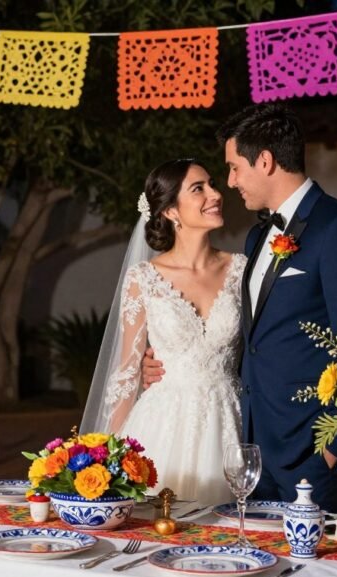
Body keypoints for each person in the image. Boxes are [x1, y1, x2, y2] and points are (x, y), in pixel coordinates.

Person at [143, 104, 337, 513]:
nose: (231, 181)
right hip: (250, 451)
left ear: (266, 161)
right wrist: (166, 361)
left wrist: (335, 452)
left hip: (311, 454)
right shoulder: (258, 238)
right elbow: (253, 341)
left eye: (235, 168)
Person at [79, 159, 245, 507]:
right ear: (171, 211)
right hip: (161, 425)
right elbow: (125, 375)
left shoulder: (241, 270)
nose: (216, 194)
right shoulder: (144, 278)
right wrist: (104, 458)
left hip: (228, 423)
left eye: (212, 184)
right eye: (199, 188)